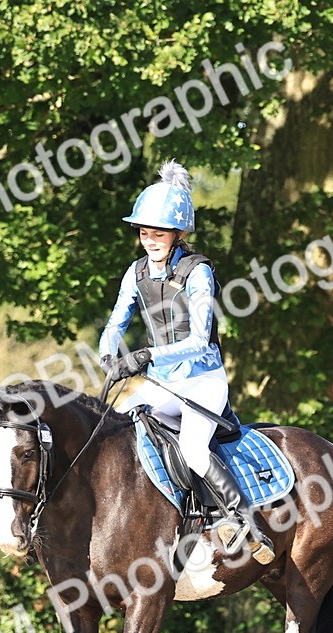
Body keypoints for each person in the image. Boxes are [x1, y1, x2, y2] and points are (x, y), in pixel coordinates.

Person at [99, 160, 275, 566]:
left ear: (178, 233)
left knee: (194, 448)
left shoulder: (198, 273)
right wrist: (108, 354)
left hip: (202, 381)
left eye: (158, 233)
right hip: (161, 385)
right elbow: (116, 322)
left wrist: (145, 355)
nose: (150, 241)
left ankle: (244, 520)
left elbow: (197, 341)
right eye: (144, 233)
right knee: (110, 433)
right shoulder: (135, 272)